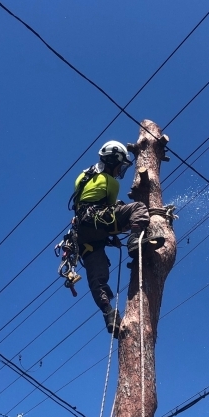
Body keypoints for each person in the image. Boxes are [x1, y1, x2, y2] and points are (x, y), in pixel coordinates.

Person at [71, 140, 164, 338]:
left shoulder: (82, 177)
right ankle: (134, 241)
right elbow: (112, 211)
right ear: (114, 160)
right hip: (98, 220)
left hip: (83, 234)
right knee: (138, 209)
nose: (119, 171)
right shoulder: (110, 182)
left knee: (98, 277)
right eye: (120, 166)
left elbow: (87, 201)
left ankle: (108, 313)